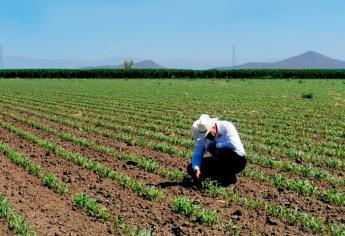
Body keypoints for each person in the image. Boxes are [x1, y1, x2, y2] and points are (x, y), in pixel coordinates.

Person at [187, 114, 247, 187]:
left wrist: (217, 145)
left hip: (237, 160)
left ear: (213, 126)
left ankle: (229, 179)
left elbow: (233, 144)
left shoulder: (227, 126)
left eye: (208, 134)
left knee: (223, 152)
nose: (207, 137)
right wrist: (196, 168)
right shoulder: (203, 135)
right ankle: (218, 177)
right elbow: (197, 154)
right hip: (219, 161)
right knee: (191, 168)